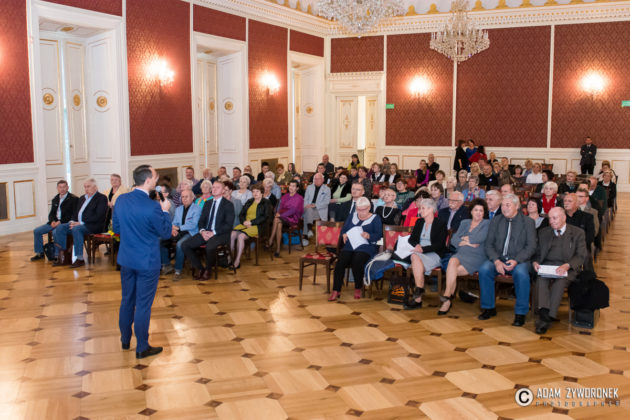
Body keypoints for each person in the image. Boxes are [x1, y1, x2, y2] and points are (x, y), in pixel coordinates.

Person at [113, 165, 172, 359]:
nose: (157, 179)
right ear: (147, 180)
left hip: (126, 259)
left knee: (127, 300)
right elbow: (165, 233)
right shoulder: (153, 206)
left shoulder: (121, 200)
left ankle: (125, 340)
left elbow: (117, 229)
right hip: (147, 261)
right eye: (155, 176)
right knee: (143, 305)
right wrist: (165, 211)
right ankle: (142, 347)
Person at [477, 194, 537, 326]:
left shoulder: (528, 222)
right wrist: (496, 261)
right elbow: (489, 245)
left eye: (508, 205)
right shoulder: (496, 221)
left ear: (517, 206)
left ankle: (520, 313)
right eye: (503, 205)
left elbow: (531, 247)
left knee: (521, 274)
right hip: (499, 259)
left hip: (520, 260)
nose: (504, 208)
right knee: (484, 269)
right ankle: (489, 308)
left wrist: (516, 260)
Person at [532, 207, 587, 334]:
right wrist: (535, 262)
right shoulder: (544, 232)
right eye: (550, 218)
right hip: (547, 266)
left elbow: (581, 255)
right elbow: (537, 253)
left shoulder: (577, 233)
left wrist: (567, 265)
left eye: (554, 218)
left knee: (560, 282)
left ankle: (546, 317)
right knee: (541, 280)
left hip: (567, 267)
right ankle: (545, 314)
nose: (551, 221)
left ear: (564, 218)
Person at [440, 199, 490, 315]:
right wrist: (469, 242)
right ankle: (448, 297)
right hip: (461, 253)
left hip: (477, 256)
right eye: (476, 210)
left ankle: (447, 299)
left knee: (452, 271)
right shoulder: (465, 222)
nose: (478, 213)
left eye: (481, 211)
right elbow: (454, 240)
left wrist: (465, 239)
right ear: (471, 211)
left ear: (484, 213)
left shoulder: (487, 223)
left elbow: (480, 238)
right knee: (452, 261)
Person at [328, 197, 382, 301]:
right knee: (340, 262)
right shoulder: (352, 215)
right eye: (358, 209)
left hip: (367, 246)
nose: (360, 212)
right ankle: (336, 290)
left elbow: (379, 235)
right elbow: (344, 229)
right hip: (351, 245)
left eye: (363, 210)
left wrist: (369, 236)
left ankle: (358, 287)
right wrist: (344, 234)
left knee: (357, 261)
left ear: (369, 208)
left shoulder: (375, 218)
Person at [181, 181, 235, 280]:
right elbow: (201, 220)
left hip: (220, 234)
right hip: (206, 232)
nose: (214, 189)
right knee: (185, 245)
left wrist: (213, 233)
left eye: (217, 187)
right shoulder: (207, 203)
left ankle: (208, 270)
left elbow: (228, 225)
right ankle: (200, 268)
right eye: (213, 187)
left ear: (223, 190)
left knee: (210, 247)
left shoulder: (228, 205)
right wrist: (202, 231)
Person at [53, 178, 108, 268]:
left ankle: (80, 258)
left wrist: (81, 222)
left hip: (94, 226)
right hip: (78, 223)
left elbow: (98, 216)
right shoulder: (82, 198)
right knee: (60, 227)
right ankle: (63, 256)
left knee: (77, 229)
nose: (86, 189)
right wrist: (72, 222)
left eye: (88, 186)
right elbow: (76, 213)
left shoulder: (101, 198)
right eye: (85, 187)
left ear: (95, 187)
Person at [404, 199, 448, 310]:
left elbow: (440, 244)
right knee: (415, 257)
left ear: (431, 209)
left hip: (434, 253)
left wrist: (423, 249)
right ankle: (419, 293)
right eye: (420, 208)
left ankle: (418, 299)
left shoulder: (440, 223)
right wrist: (417, 245)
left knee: (415, 259)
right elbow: (411, 239)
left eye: (423, 208)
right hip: (419, 253)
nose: (420, 211)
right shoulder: (419, 222)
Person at [31, 180, 78, 261]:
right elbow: (51, 213)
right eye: (60, 187)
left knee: (55, 232)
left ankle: (57, 255)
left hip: (65, 223)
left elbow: (73, 215)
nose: (62, 189)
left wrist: (60, 222)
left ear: (67, 187)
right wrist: (52, 221)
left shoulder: (74, 199)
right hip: (55, 222)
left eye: (64, 187)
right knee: (37, 231)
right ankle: (39, 253)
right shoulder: (55, 199)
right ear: (57, 188)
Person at [160, 189, 201, 281]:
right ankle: (166, 265)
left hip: (191, 232)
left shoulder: (197, 208)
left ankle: (178, 271)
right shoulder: (179, 209)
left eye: (186, 197)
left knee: (180, 245)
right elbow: (174, 222)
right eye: (182, 197)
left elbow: (193, 224)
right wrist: (173, 229)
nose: (184, 199)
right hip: (179, 231)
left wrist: (178, 228)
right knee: (161, 239)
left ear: (192, 197)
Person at [230, 184, 272, 269]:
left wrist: (251, 222)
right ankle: (229, 258)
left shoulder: (266, 202)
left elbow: (266, 217)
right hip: (245, 224)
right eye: (253, 191)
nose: (255, 193)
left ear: (262, 192)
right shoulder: (249, 201)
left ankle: (237, 261)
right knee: (232, 234)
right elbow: (241, 214)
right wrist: (244, 222)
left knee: (241, 236)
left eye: (257, 191)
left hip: (258, 226)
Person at [267, 180, 304, 256]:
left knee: (277, 220)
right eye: (290, 185)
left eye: (293, 186)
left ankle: (271, 240)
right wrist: (278, 213)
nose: (291, 187)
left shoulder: (299, 198)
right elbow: (280, 207)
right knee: (278, 223)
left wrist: (281, 215)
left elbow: (293, 210)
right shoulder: (285, 196)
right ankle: (277, 249)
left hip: (292, 218)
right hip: (282, 217)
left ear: (297, 188)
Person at [302, 173, 331, 242]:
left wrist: (315, 205)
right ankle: (309, 230)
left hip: (319, 209)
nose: (316, 180)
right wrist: (307, 205)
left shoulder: (327, 189)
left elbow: (326, 202)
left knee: (307, 214)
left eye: (318, 179)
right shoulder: (309, 187)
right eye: (315, 179)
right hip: (309, 207)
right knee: (308, 210)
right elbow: (305, 199)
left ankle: (306, 234)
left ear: (323, 180)